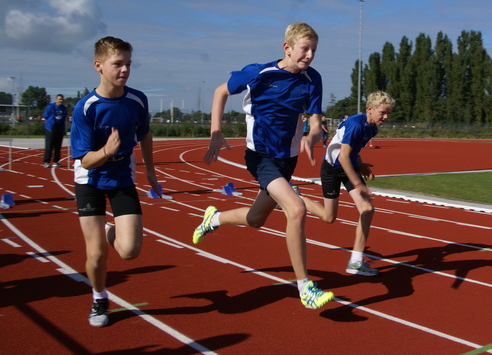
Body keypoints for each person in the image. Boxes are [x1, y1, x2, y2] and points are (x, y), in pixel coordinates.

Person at [192, 22, 334, 309]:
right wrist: (216, 130)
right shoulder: (259, 73)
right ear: (288, 47)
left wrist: (313, 135)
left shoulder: (313, 79)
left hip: (287, 159)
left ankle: (214, 219)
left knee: (256, 219)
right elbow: (221, 91)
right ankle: (305, 287)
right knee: (296, 209)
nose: (309, 55)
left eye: (314, 50)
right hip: (260, 157)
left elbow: (317, 121)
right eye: (305, 49)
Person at [70, 36, 161, 327]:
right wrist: (106, 152)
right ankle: (99, 298)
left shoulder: (137, 99)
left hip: (123, 176)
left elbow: (144, 133)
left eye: (128, 64)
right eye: (117, 64)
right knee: (96, 254)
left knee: (129, 251)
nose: (124, 70)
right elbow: (83, 160)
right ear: (98, 66)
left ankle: (109, 229)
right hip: (91, 179)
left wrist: (150, 170)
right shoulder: (86, 107)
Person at [298, 91, 395, 276]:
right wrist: (358, 184)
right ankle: (296, 197)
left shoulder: (372, 127)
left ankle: (356, 261)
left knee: (367, 209)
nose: (386, 117)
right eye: (382, 112)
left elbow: (352, 151)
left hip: (349, 167)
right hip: (332, 169)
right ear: (370, 109)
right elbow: (342, 157)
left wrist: (361, 164)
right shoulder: (356, 125)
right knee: (329, 217)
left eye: (388, 113)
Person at [42, 94, 68, 167]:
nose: (61, 101)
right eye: (59, 99)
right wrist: (48, 125)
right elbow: (45, 117)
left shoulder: (63, 108)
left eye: (62, 99)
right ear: (56, 99)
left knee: (58, 146)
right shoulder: (51, 107)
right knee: (49, 145)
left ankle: (56, 161)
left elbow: (65, 117)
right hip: (51, 128)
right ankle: (46, 161)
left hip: (60, 127)